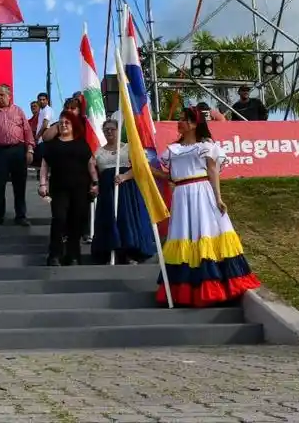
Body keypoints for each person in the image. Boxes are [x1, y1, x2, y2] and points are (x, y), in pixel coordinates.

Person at [152, 107, 261, 307]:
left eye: (183, 119)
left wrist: (218, 198)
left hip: (202, 193)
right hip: (182, 195)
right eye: (179, 119)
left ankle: (216, 287)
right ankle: (184, 291)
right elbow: (170, 176)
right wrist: (148, 169)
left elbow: (212, 171)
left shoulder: (206, 146)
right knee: (184, 237)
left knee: (206, 233)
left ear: (194, 124)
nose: (179, 122)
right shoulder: (173, 150)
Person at [91, 119, 158, 265]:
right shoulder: (98, 152)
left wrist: (124, 176)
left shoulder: (128, 148)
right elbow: (94, 170)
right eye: (106, 130)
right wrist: (95, 181)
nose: (109, 132)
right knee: (109, 220)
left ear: (118, 130)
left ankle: (129, 253)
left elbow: (139, 166)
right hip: (108, 191)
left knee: (126, 219)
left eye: (112, 129)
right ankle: (111, 253)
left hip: (127, 190)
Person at [37, 113, 97, 266]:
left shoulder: (82, 144)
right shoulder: (52, 145)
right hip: (59, 189)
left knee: (76, 221)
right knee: (59, 219)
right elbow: (44, 166)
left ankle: (73, 255)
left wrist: (95, 182)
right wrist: (43, 184)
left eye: (67, 122)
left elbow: (91, 165)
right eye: (61, 122)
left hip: (80, 189)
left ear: (73, 125)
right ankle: (54, 255)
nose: (63, 125)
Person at [0, 84, 35, 226]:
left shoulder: (18, 111)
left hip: (18, 151)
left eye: (2, 95)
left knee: (19, 185)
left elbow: (27, 131)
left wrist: (30, 149)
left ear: (9, 96)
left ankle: (21, 216)